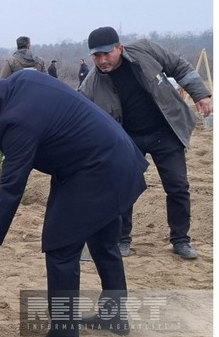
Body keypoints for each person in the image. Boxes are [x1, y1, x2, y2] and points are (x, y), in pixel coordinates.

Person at [0, 71, 148, 337]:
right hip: (103, 159)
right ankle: (114, 315)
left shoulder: (18, 119)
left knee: (60, 246)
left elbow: (12, 188)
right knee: (103, 242)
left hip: (98, 168)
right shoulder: (20, 84)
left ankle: (63, 336)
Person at [80, 26, 212, 259]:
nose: (101, 60)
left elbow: (179, 66)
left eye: (106, 53)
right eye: (96, 55)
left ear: (119, 48)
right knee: (123, 189)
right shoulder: (91, 84)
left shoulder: (146, 51)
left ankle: (180, 240)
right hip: (127, 139)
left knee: (178, 186)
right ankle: (122, 240)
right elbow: (80, 116)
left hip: (165, 130)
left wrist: (200, 94)